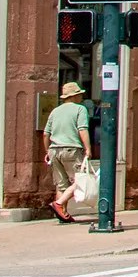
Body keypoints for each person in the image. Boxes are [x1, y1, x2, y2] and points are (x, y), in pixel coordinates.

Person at [44, 81, 92, 223]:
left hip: (54, 150)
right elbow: (82, 129)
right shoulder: (80, 109)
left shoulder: (55, 111)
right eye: (79, 95)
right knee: (81, 180)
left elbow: (46, 134)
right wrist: (88, 148)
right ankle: (59, 204)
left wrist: (47, 150)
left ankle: (62, 215)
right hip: (72, 149)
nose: (81, 97)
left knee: (61, 184)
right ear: (74, 96)